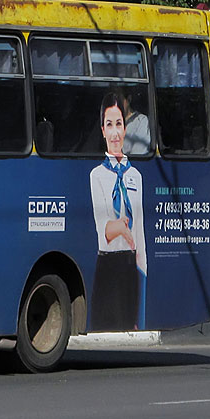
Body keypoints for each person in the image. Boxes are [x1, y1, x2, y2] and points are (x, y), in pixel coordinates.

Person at [89, 92, 147, 331]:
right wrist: (121, 228)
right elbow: (104, 229)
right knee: (105, 329)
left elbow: (140, 238)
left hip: (130, 269)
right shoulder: (97, 175)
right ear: (102, 130)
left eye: (119, 124)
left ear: (125, 129)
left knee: (130, 329)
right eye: (109, 124)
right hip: (108, 266)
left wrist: (141, 276)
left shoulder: (136, 176)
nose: (114, 132)